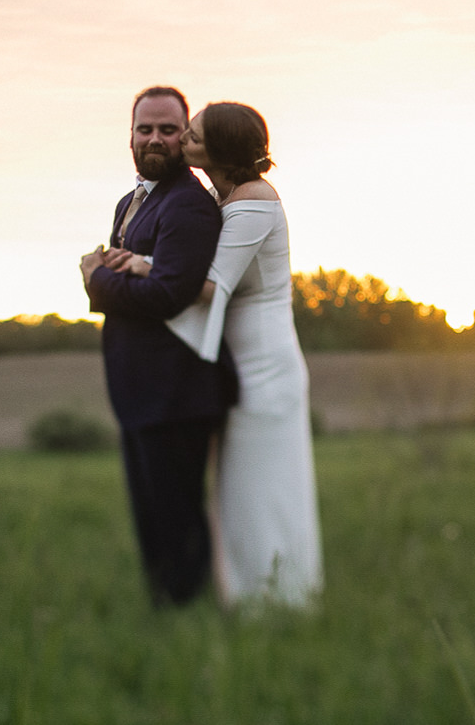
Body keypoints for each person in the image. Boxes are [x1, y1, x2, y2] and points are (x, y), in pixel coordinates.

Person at [104, 101, 322, 609]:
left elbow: (207, 287)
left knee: (266, 485)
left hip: (263, 359)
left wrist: (135, 265)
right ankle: (243, 596)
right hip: (235, 356)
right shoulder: (225, 197)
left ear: (218, 148)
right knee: (237, 489)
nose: (181, 141)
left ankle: (283, 600)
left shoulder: (252, 202)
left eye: (193, 135)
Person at [79, 86, 237, 607]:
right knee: (149, 514)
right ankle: (166, 613)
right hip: (138, 389)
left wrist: (96, 280)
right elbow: (139, 289)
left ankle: (187, 619)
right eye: (145, 128)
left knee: (176, 516)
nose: (155, 139)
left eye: (169, 130)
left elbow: (168, 294)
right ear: (129, 135)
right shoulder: (132, 202)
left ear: (186, 137)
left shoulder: (189, 204)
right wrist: (112, 277)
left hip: (176, 392)